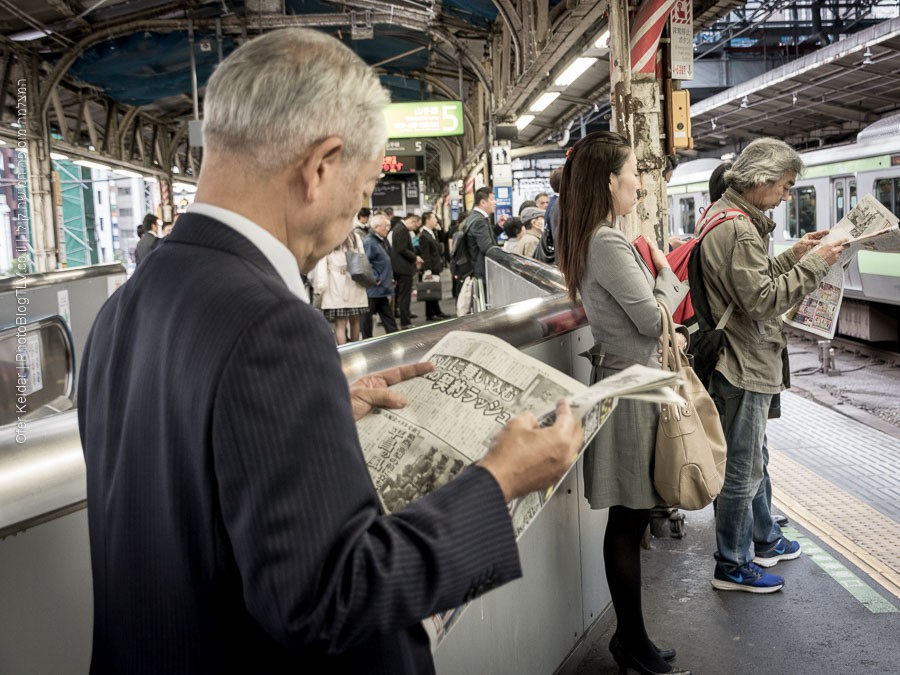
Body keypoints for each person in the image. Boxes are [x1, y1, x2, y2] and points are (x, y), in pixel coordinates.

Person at [76, 28, 583, 674]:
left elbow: (193, 488)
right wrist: (500, 480)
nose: (357, 213)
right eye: (364, 189)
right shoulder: (270, 326)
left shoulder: (127, 306)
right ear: (319, 167)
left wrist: (315, 415)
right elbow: (330, 598)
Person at [556, 131, 691, 675]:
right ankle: (631, 642)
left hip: (628, 382)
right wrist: (662, 267)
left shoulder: (594, 236)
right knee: (629, 519)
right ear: (610, 180)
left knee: (630, 518)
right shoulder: (608, 242)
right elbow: (650, 317)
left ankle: (632, 640)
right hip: (632, 390)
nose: (639, 180)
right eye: (634, 170)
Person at [700, 138, 847, 594]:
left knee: (750, 461)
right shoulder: (741, 230)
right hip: (743, 362)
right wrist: (817, 265)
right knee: (742, 470)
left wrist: (796, 253)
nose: (786, 196)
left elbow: (751, 279)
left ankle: (752, 547)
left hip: (740, 359)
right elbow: (762, 300)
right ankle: (733, 564)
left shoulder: (727, 215)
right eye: (784, 187)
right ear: (761, 181)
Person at [314, 231, 370, 344]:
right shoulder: (355, 236)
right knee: (355, 320)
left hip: (335, 283)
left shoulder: (327, 236)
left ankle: (344, 352)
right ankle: (355, 348)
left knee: (340, 324)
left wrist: (320, 286)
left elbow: (321, 264)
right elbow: (362, 258)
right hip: (355, 281)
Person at [361, 212, 397, 338]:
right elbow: (366, 262)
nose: (387, 229)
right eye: (384, 226)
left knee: (387, 315)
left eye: (388, 226)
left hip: (381, 287)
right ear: (376, 227)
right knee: (367, 317)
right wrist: (375, 278)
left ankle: (395, 337)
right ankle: (366, 340)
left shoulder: (381, 241)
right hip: (374, 287)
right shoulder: (370, 242)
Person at [390, 213, 422, 329]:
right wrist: (415, 257)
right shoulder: (402, 230)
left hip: (399, 267)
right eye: (415, 226)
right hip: (403, 268)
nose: (415, 229)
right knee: (404, 297)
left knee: (402, 296)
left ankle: (405, 320)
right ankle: (405, 322)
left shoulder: (399, 228)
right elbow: (402, 249)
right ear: (412, 221)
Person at [417, 211, 450, 321]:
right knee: (430, 290)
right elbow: (425, 254)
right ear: (427, 220)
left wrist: (439, 231)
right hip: (430, 267)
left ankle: (436, 311)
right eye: (434, 218)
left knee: (434, 289)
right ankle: (430, 314)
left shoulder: (432, 233)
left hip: (436, 265)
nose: (436, 220)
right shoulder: (424, 236)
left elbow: (440, 247)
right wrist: (428, 270)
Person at [464, 186, 497, 282]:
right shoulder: (479, 221)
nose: (495, 202)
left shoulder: (474, 217)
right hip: (482, 270)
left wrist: (498, 227)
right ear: (483, 202)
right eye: (492, 199)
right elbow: (486, 247)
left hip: (477, 269)